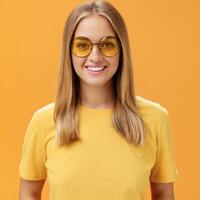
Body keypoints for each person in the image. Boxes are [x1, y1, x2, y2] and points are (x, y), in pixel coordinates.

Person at [18, 0, 179, 199]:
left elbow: (164, 193)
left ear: (121, 50)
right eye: (83, 45)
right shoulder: (44, 121)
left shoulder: (154, 119)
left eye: (107, 45)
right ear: (69, 51)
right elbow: (29, 193)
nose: (95, 56)